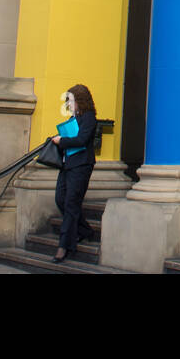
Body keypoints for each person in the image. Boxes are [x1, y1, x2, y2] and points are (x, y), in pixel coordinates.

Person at [51, 84, 98, 262]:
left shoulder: (89, 118)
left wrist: (61, 141)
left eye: (70, 100)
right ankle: (85, 230)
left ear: (80, 100)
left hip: (81, 166)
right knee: (60, 199)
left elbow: (81, 140)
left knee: (71, 203)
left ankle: (64, 246)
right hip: (67, 164)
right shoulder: (73, 118)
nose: (68, 104)